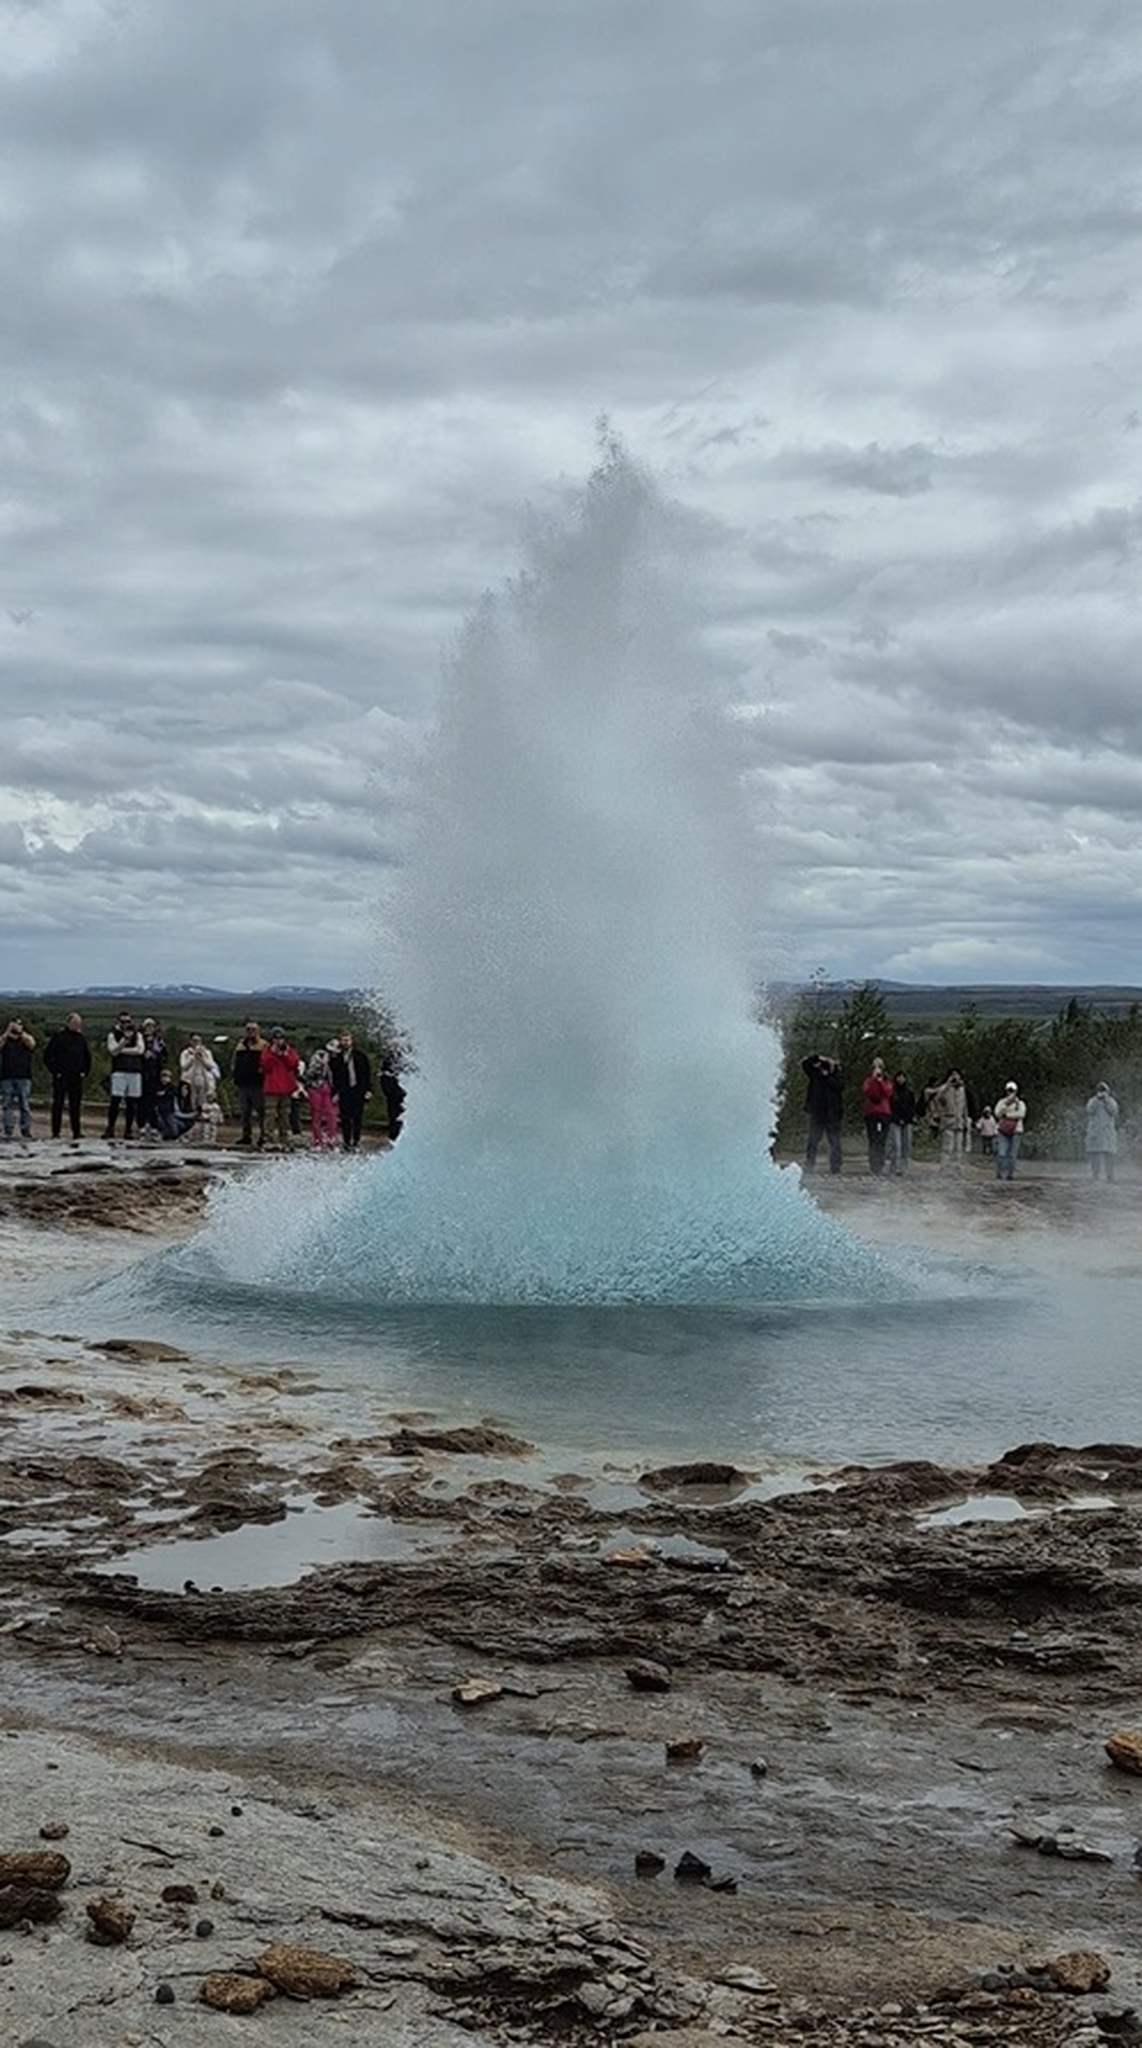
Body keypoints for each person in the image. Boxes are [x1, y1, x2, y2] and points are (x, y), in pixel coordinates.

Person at [43, 1013, 92, 1140]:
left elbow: (87, 1057)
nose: (77, 1026)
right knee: (58, 1104)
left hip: (76, 1077)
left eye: (79, 1024)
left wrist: (84, 1072)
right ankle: (56, 1132)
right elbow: (47, 1056)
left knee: (75, 1105)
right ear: (68, 1023)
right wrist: (55, 1071)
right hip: (61, 1076)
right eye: (75, 1023)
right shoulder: (58, 1037)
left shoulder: (81, 1038)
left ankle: (77, 1131)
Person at [800, 1052, 843, 1176]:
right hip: (817, 1113)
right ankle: (809, 1165)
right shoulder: (815, 1074)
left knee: (835, 1142)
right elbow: (805, 1064)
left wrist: (827, 1075)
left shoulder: (837, 1075)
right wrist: (819, 1058)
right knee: (812, 1141)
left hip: (833, 1115)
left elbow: (839, 1086)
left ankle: (836, 1167)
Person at [104, 1013, 146, 1140]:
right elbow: (113, 1051)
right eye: (123, 1022)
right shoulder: (113, 1034)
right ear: (118, 1022)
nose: (125, 1024)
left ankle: (128, 1129)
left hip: (134, 1071)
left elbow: (140, 1050)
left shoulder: (138, 1035)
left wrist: (122, 1050)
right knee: (115, 1100)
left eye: (128, 1022)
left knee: (131, 1102)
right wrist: (123, 1042)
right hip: (119, 1071)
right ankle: (110, 1128)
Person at [330, 1029, 372, 1151]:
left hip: (358, 1090)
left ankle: (356, 1141)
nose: (346, 1042)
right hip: (344, 1091)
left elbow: (366, 1073)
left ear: (352, 1041)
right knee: (345, 1117)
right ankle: (347, 1142)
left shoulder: (360, 1056)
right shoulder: (336, 1058)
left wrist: (368, 1090)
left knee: (357, 1117)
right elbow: (334, 1076)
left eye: (347, 1040)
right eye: (343, 1040)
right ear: (340, 1041)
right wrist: (335, 1092)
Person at [260, 1026, 301, 1151]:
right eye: (276, 1038)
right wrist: (273, 1053)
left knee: (285, 1115)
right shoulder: (267, 1051)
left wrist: (284, 1054)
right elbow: (265, 1066)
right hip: (272, 1087)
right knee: (270, 1114)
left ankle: (285, 1139)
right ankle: (268, 1139)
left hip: (286, 1087)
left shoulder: (290, 1051)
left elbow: (293, 1064)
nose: (278, 1041)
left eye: (281, 1038)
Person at [0, 1017, 37, 1140]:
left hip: (24, 1076)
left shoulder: (26, 1039)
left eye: (19, 1025)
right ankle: (8, 1130)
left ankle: (25, 1130)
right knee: (7, 1104)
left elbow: (32, 1044)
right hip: (7, 1076)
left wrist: (21, 1033)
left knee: (24, 1104)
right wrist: (7, 1032)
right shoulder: (5, 1039)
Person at [231, 1021, 266, 1147]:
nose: (250, 1032)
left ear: (258, 1031)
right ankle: (246, 1136)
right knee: (245, 1112)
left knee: (261, 1111)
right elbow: (234, 1062)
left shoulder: (263, 1045)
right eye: (248, 1029)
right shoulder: (240, 1045)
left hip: (257, 1084)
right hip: (243, 1083)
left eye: (253, 1029)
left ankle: (264, 1136)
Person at [861, 1056, 893, 1177]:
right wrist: (874, 1080)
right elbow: (868, 1092)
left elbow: (887, 1093)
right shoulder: (868, 1081)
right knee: (873, 1140)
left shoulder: (887, 1081)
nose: (877, 1069)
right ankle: (873, 1164)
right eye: (875, 1067)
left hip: (884, 1113)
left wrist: (880, 1081)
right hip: (871, 1114)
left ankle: (880, 1164)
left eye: (879, 1067)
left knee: (882, 1140)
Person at [302, 1043, 338, 1148]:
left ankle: (330, 1138)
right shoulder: (320, 1055)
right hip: (315, 1087)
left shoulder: (334, 1060)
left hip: (326, 1088)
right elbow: (310, 1074)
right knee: (316, 1113)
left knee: (331, 1114)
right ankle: (318, 1140)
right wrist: (322, 1064)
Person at [934, 1068, 971, 1170]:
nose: (955, 1077)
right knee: (947, 1146)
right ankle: (944, 1166)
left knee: (958, 1146)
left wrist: (965, 1120)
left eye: (957, 1075)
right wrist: (948, 1085)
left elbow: (965, 1106)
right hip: (948, 1121)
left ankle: (957, 1166)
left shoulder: (962, 1089)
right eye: (953, 1075)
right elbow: (938, 1098)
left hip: (959, 1122)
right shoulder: (945, 1089)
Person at [1085, 1081, 1119, 1182]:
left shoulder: (1112, 1101)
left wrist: (1106, 1101)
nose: (1101, 1092)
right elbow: (1089, 1111)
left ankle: (1110, 1176)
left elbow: (1113, 1112)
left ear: (1107, 1091)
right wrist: (1097, 1100)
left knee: (1109, 1155)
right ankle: (1095, 1176)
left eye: (1103, 1090)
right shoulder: (1092, 1101)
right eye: (1100, 1090)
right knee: (1095, 1155)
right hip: (1095, 1132)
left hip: (1107, 1133)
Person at [154, 1068, 200, 1141]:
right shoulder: (159, 1088)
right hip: (166, 1113)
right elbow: (176, 1112)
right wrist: (193, 1115)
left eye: (167, 1077)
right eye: (163, 1077)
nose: (165, 1079)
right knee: (171, 1130)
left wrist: (194, 1115)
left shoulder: (173, 1090)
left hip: (173, 1114)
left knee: (178, 1128)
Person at [179, 1033, 220, 1112]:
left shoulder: (207, 1053)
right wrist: (192, 1057)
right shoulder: (185, 1053)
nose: (196, 1043)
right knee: (191, 1102)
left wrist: (203, 1058)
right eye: (194, 1041)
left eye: (198, 1041)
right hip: (189, 1080)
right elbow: (184, 1066)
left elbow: (211, 1066)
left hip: (203, 1080)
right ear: (190, 1041)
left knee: (203, 1102)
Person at [994, 1081, 1026, 1181]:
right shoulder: (1001, 1102)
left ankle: (1010, 1174)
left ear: (1016, 1091)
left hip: (1016, 1131)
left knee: (1012, 1155)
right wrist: (1005, 1105)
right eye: (1008, 1090)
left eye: (1012, 1090)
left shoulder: (1020, 1103)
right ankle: (999, 1173)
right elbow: (997, 1114)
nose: (1010, 1092)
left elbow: (1021, 1114)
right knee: (1001, 1154)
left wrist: (1007, 1115)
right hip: (1003, 1131)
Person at [887, 1070, 916, 1177]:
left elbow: (912, 1107)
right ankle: (894, 1168)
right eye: (899, 1077)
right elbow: (890, 1108)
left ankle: (904, 1168)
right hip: (895, 1122)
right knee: (896, 1145)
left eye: (903, 1077)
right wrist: (896, 1118)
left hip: (907, 1122)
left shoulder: (909, 1093)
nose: (901, 1079)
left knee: (906, 1146)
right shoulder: (892, 1093)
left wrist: (910, 1118)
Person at [140, 1018, 166, 1132]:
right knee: (142, 1100)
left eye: (151, 1027)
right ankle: (142, 1123)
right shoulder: (140, 1039)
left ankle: (153, 1124)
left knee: (152, 1101)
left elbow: (164, 1056)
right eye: (147, 1027)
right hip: (142, 1072)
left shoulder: (158, 1041)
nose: (149, 1029)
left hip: (154, 1073)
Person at [379, 1054, 406, 1143]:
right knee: (394, 1116)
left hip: (404, 1094)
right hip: (393, 1095)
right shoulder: (389, 1061)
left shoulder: (406, 1059)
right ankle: (394, 1136)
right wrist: (389, 1092)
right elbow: (384, 1078)